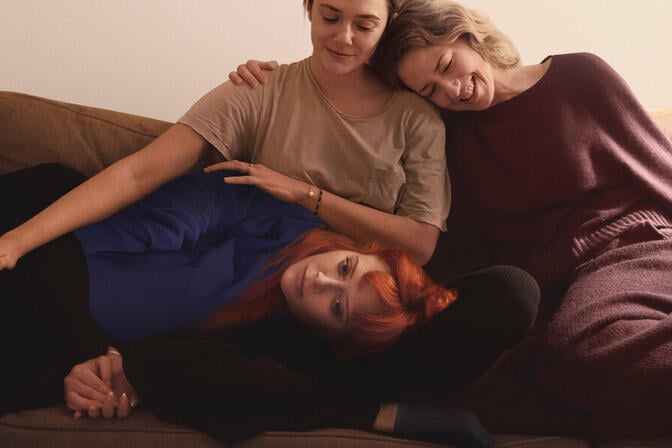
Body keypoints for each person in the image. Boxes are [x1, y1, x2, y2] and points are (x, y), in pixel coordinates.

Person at [230, 0, 672, 440]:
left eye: (445, 67)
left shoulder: (579, 75)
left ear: (467, 35)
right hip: (557, 290)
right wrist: (279, 80)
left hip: (640, 249)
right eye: (428, 91)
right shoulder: (447, 138)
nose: (450, 90)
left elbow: (660, 173)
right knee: (528, 378)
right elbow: (378, 165)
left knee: (584, 349)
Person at [0, 0, 449, 278]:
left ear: (387, 25)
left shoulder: (416, 117)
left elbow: (420, 245)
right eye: (329, 17)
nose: (343, 37)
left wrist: (305, 194)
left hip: (348, 292)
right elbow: (142, 171)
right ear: (309, 7)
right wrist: (16, 243)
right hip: (250, 270)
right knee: (46, 193)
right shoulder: (262, 88)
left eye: (364, 25)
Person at [0, 162, 456, 422]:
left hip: (52, 343)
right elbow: (155, 221)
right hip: (41, 244)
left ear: (333, 334)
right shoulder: (278, 214)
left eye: (337, 306)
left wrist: (118, 377)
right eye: (344, 268)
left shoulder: (277, 341)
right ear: (354, 249)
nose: (320, 281)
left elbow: (174, 365)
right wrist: (89, 349)